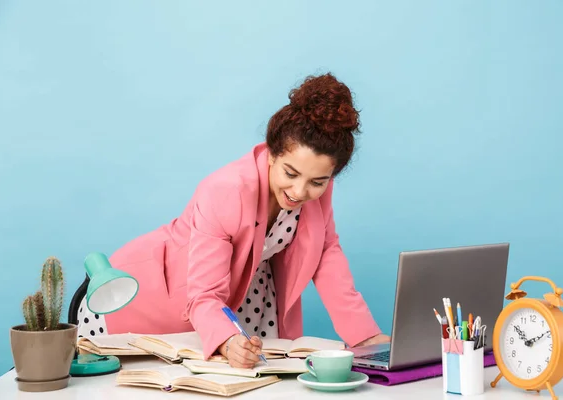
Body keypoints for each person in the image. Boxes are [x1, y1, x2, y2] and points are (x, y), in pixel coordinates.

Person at [76, 72, 390, 368]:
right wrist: (226, 340)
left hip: (245, 300)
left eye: (317, 181)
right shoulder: (225, 191)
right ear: (271, 153)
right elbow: (203, 293)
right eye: (290, 173)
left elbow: (325, 256)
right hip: (143, 299)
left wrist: (366, 338)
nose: (300, 191)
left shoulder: (319, 187)